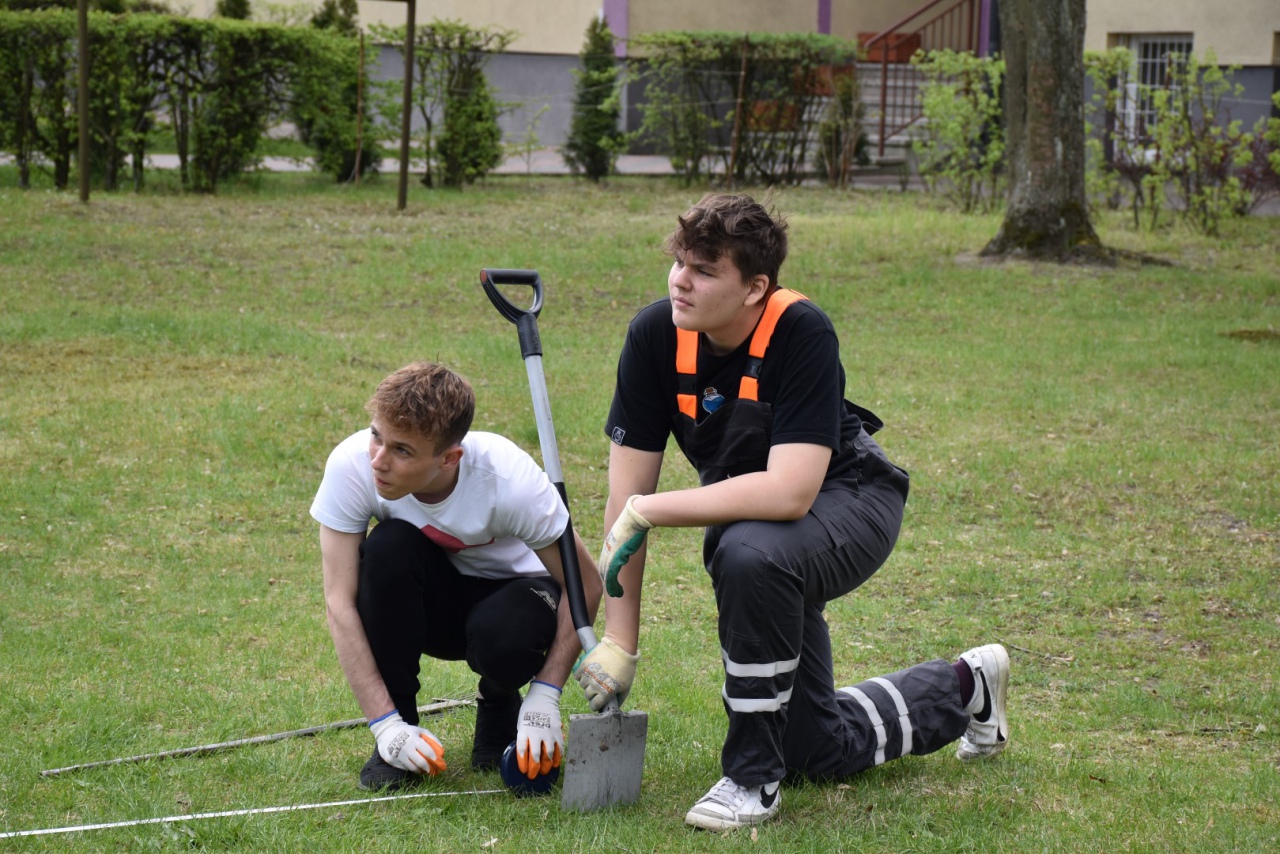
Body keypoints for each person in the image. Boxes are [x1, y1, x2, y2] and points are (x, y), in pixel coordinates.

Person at [573, 193, 1011, 830]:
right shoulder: (653, 337)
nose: (680, 280)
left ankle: (752, 779)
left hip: (852, 499)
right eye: (678, 262)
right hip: (763, 530)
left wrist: (652, 511)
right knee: (816, 748)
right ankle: (966, 686)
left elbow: (790, 493)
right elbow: (624, 499)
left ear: (755, 287)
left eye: (703, 270)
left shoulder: (802, 331)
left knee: (747, 553)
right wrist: (620, 640)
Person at [311, 361, 599, 791]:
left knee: (505, 633)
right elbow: (339, 600)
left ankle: (500, 699)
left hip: (516, 600)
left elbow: (587, 585)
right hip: (437, 603)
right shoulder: (353, 465)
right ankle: (403, 730)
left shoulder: (509, 481)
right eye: (376, 435)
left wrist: (546, 694)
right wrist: (384, 724)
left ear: (450, 457)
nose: (378, 460)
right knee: (387, 547)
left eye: (402, 450)